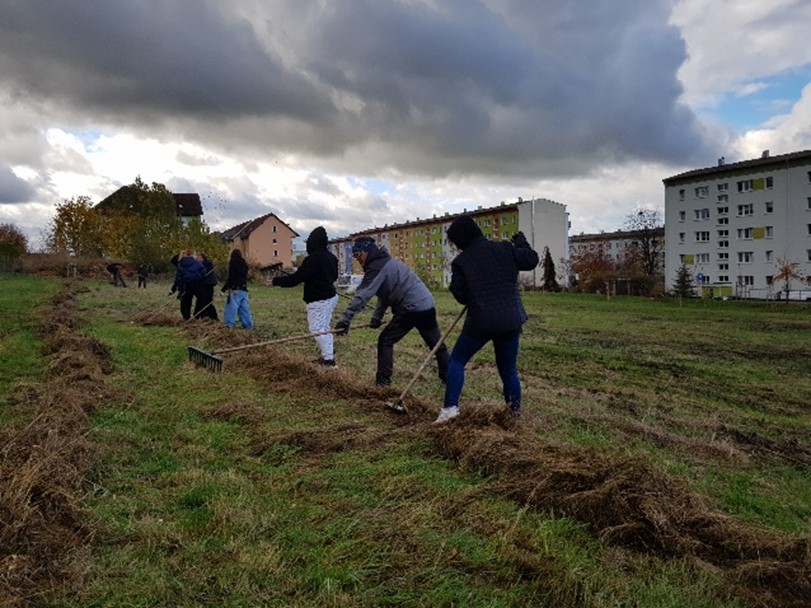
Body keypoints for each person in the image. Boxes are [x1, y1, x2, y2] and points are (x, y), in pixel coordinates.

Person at [433, 215, 539, 424]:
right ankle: (513, 415)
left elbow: (460, 294)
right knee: (508, 369)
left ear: (460, 240)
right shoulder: (505, 249)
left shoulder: (461, 262)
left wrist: (473, 294)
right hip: (510, 320)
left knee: (457, 360)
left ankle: (450, 409)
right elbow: (531, 260)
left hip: (481, 322)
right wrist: (521, 242)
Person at [335, 236, 449, 387]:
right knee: (437, 345)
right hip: (426, 304)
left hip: (411, 308)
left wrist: (345, 319)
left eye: (358, 255)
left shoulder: (376, 267)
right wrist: (377, 316)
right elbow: (385, 295)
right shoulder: (385, 262)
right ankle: (448, 379)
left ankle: (383, 383)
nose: (358, 260)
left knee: (385, 340)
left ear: (365, 251)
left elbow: (362, 296)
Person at [269, 226, 339, 366]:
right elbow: (333, 276)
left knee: (317, 329)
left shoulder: (313, 259)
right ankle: (327, 356)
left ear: (312, 243)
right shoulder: (332, 257)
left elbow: (296, 279)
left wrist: (275, 281)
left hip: (319, 300)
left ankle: (329, 361)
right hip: (331, 296)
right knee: (324, 328)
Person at [221, 249, 253, 329]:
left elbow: (231, 278)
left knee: (231, 308)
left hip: (235, 289)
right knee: (244, 309)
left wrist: (224, 289)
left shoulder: (233, 263)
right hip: (243, 289)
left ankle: (228, 325)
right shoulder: (244, 264)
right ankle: (248, 326)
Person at [170, 249, 206, 320]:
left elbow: (178, 278)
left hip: (186, 285)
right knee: (201, 299)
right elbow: (203, 273)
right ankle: (197, 315)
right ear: (192, 255)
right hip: (197, 284)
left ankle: (186, 317)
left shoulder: (180, 264)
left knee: (186, 301)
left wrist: (178, 288)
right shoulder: (197, 263)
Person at [194, 253, 219, 320]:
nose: (197, 259)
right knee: (202, 301)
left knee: (206, 301)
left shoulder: (205, 265)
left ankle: (209, 316)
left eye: (199, 257)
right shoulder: (203, 265)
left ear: (202, 258)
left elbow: (203, 274)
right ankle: (201, 316)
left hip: (207, 285)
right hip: (204, 285)